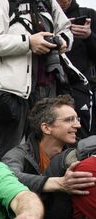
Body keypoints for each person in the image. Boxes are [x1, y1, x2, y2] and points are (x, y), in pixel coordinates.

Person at [0, 0, 73, 158]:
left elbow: (66, 30)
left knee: (49, 155)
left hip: (49, 91)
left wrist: (63, 40)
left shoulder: (48, 3)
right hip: (12, 93)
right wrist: (27, 43)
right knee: (10, 156)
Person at [57, 0, 96, 138]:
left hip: (82, 87)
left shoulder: (88, 15)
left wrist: (89, 36)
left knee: (83, 135)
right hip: (51, 87)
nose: (62, 2)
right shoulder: (44, 17)